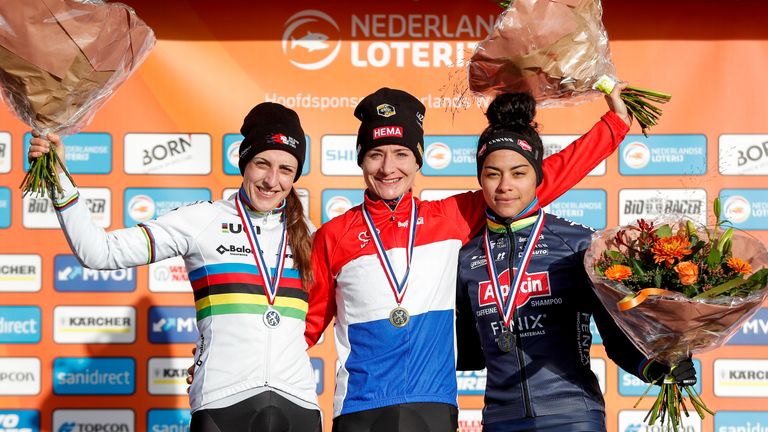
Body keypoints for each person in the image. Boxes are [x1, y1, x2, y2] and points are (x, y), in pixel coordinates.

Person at [304, 86, 634, 431]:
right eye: (375, 154)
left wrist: (615, 124)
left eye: (401, 153)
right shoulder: (333, 235)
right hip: (359, 404)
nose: (388, 168)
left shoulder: (450, 217)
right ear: (360, 159)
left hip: (432, 404)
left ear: (417, 160)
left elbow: (538, 178)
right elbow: (307, 325)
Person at [28, 103, 322, 432]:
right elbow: (101, 253)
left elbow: (332, 313)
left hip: (298, 404)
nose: (271, 180)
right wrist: (59, 180)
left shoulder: (312, 236)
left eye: (285, 169)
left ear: (295, 175)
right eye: (262, 164)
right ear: (244, 163)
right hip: (223, 400)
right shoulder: (203, 220)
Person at [454, 92, 697, 431]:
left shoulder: (576, 244)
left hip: (572, 415)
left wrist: (657, 364)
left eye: (518, 173)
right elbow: (468, 352)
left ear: (538, 176)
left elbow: (616, 334)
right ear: (480, 179)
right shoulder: (466, 257)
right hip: (500, 419)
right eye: (493, 174)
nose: (505, 186)